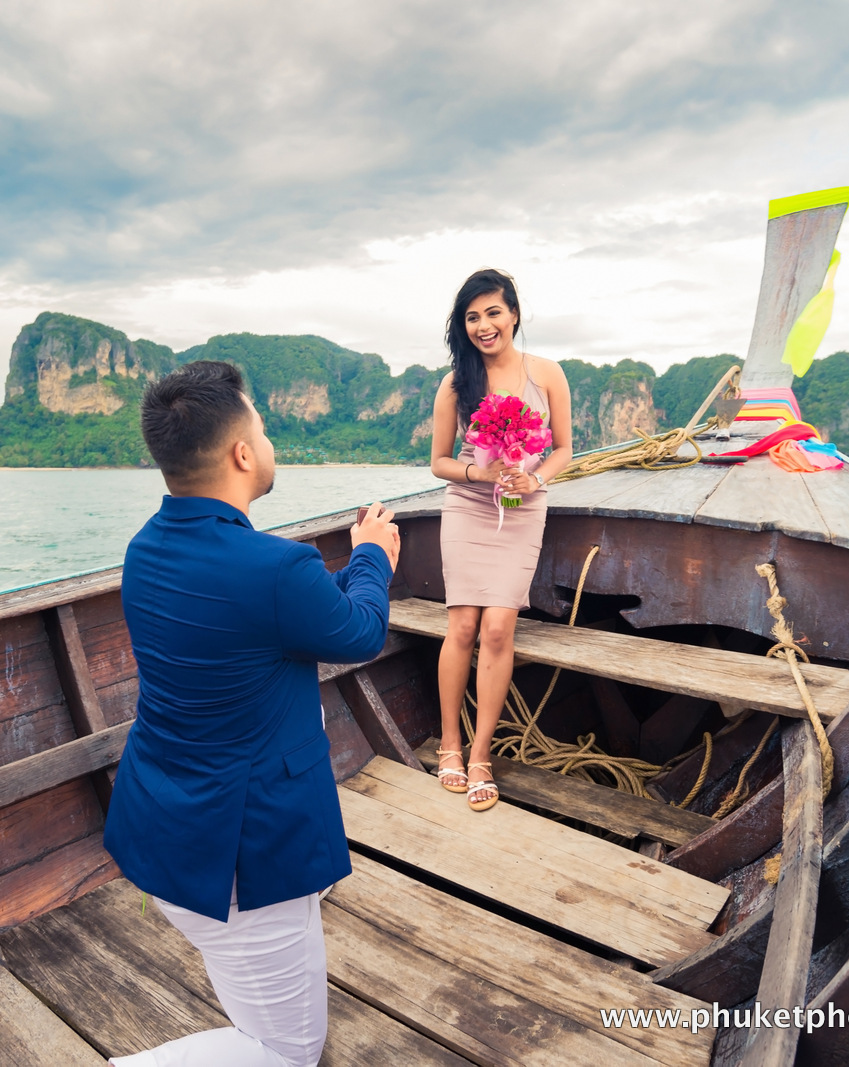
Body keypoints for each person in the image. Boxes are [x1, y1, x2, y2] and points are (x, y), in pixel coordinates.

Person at [103, 360, 401, 1067]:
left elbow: (264, 617)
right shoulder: (274, 568)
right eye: (261, 428)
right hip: (238, 857)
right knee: (288, 1049)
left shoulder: (144, 550)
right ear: (242, 453)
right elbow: (359, 630)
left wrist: (344, 574)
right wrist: (372, 557)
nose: (267, 440)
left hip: (164, 824)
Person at [428, 269, 573, 811]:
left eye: (492, 313)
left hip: (523, 508)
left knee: (497, 627)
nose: (483, 326)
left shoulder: (547, 374)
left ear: (513, 313)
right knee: (462, 624)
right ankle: (449, 743)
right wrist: (480, 476)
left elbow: (563, 448)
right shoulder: (455, 384)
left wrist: (533, 478)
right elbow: (439, 461)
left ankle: (482, 755)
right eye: (472, 317)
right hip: (468, 506)